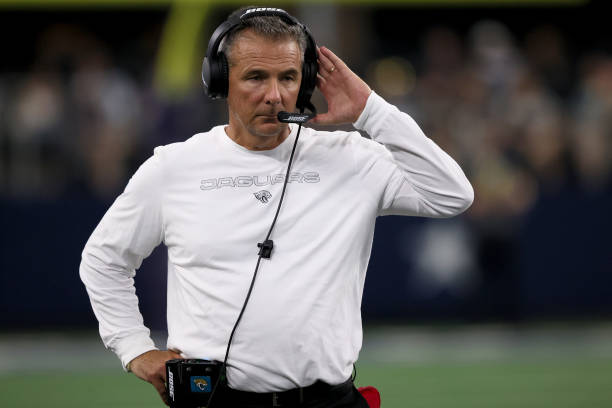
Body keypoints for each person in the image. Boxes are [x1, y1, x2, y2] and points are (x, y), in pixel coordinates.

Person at [79, 6, 473, 408]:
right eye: (255, 77)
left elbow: (453, 194)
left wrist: (371, 110)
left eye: (288, 77)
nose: (274, 95)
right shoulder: (173, 168)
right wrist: (135, 349)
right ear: (219, 81)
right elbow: (104, 259)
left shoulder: (350, 158)